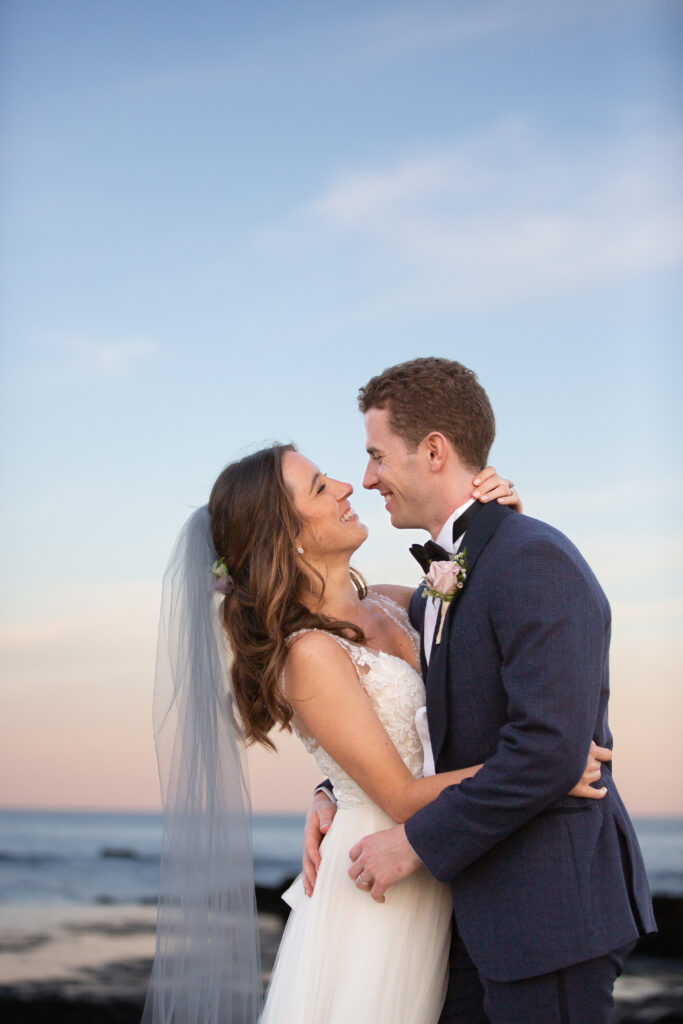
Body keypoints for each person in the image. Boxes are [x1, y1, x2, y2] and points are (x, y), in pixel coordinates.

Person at [143, 438, 612, 1024]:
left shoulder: (394, 602)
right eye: (319, 487)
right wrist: (546, 769)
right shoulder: (309, 652)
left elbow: (490, 599)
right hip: (381, 880)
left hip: (441, 864)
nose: (345, 486)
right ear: (286, 534)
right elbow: (398, 794)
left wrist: (498, 525)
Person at [304, 356, 657, 1024]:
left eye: (377, 455)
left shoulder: (530, 558)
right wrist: (333, 786)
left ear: (433, 450)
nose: (369, 477)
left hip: (546, 912)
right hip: (475, 911)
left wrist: (413, 843)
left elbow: (549, 749)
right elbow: (407, 711)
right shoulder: (448, 575)